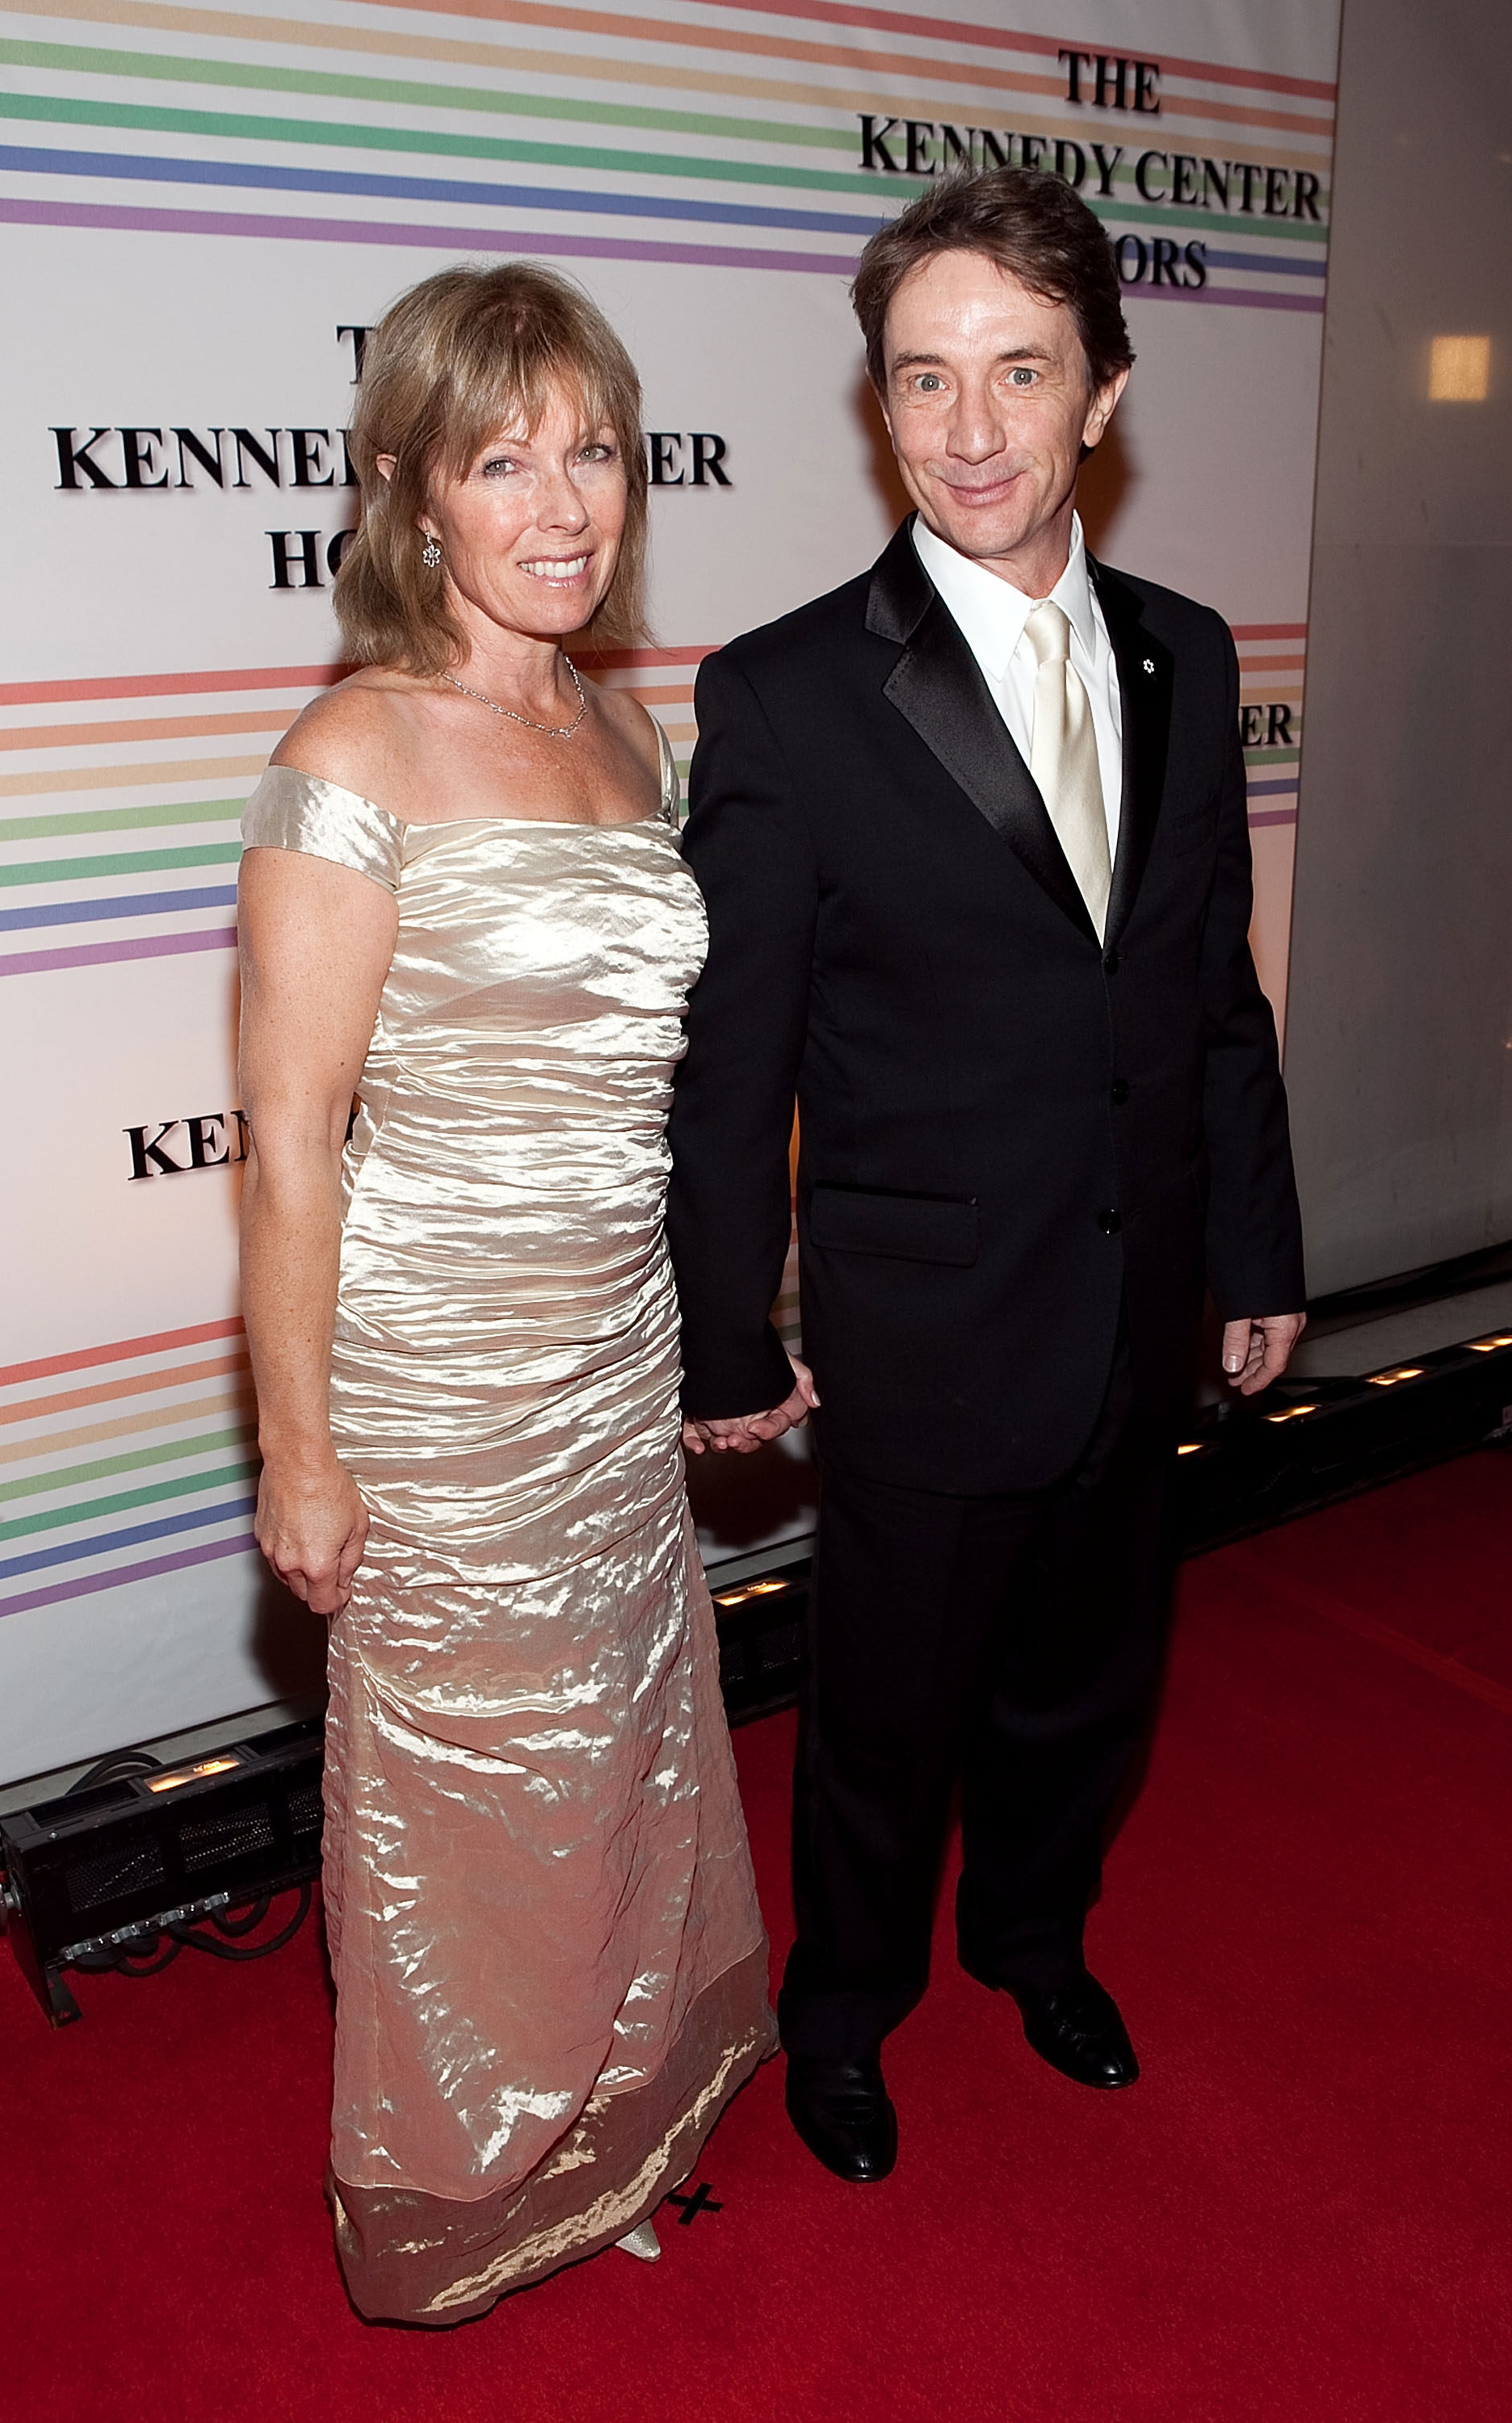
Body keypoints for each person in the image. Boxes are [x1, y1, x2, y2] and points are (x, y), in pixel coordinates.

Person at [667, 166, 1305, 2184]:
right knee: (883, 1715)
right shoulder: (782, 694)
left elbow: (1210, 994)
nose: (965, 429)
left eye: (1015, 373)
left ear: (1099, 392)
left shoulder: (1188, 658)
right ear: (878, 404)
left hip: (1144, 1290)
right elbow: (731, 1058)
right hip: (923, 1319)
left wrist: (1253, 1246)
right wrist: (718, 1332)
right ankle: (842, 2012)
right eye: (921, 378)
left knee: (1086, 1683)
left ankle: (1036, 1942)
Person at [236, 262, 775, 2323]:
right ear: (408, 493)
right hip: (441, 1383)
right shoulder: (350, 751)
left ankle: (614, 2132)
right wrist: (300, 1451)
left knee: (622, 1760)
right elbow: (293, 1140)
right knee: (476, 1800)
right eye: (501, 461)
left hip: (611, 1354)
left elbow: (667, 1086)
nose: (562, 507)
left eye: (596, 453)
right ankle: (476, 2175)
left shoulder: (626, 726)